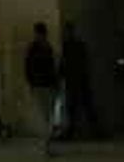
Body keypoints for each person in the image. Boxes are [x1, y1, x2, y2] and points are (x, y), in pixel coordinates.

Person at [59, 22, 100, 139]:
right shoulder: (75, 45)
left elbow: (65, 63)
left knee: (78, 107)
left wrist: (61, 75)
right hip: (78, 79)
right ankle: (93, 130)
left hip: (76, 80)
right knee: (82, 107)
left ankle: (76, 131)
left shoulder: (70, 46)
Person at [25, 22, 59, 153]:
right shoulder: (38, 48)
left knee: (48, 115)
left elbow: (30, 67)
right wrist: (32, 83)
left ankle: (47, 143)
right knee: (46, 115)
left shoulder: (42, 47)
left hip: (45, 85)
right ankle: (46, 144)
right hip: (41, 85)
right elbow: (29, 67)